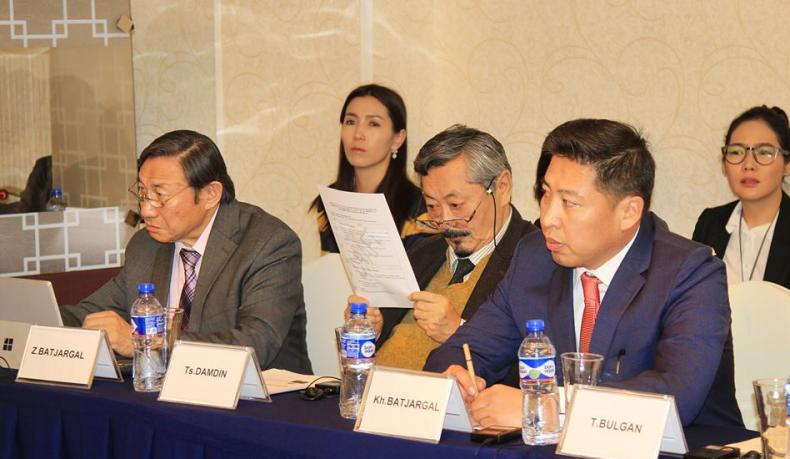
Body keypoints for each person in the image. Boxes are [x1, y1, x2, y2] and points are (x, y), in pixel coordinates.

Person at [425, 118, 743, 428]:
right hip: (553, 456)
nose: (547, 217)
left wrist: (543, 406)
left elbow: (674, 396)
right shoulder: (535, 257)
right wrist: (455, 377)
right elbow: (463, 349)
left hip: (682, 458)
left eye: (569, 202)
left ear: (629, 212)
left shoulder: (690, 273)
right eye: (545, 194)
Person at [61, 130, 311, 373]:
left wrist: (149, 342)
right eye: (143, 193)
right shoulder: (146, 245)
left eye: (160, 195)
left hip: (263, 395)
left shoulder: (268, 244)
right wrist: (44, 320)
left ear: (210, 194)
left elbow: (257, 342)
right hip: (168, 390)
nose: (146, 210)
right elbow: (90, 314)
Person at [347, 125, 535, 370]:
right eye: (432, 206)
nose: (444, 221)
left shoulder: (534, 259)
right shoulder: (421, 251)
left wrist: (459, 331)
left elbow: (538, 365)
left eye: (456, 205)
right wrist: (372, 330)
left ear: (502, 187)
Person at [692, 105, 790, 293]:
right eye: (736, 152)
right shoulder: (709, 223)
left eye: (764, 152)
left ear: (788, 164)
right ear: (724, 165)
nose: (748, 164)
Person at [309, 84, 429, 253]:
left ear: (398, 138)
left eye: (373, 124)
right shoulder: (330, 201)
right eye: (351, 122)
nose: (358, 134)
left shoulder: (420, 208)